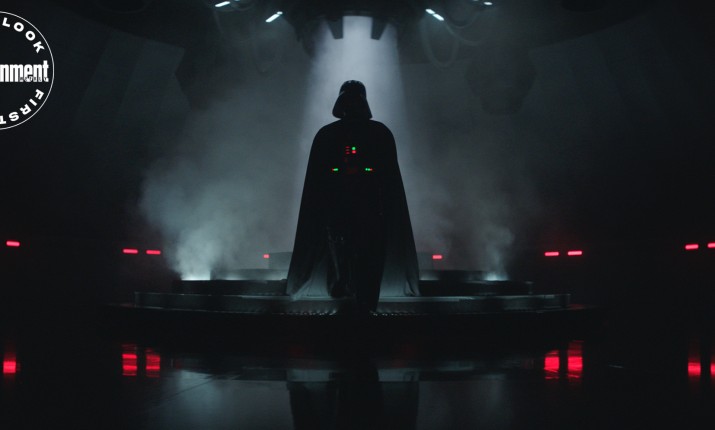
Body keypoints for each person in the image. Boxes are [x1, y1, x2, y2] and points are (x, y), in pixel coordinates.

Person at [287, 80, 420, 313]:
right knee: (345, 252)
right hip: (343, 208)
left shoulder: (372, 133)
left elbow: (386, 177)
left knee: (367, 255)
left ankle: (362, 302)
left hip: (366, 208)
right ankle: (351, 295)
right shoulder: (345, 134)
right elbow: (320, 178)